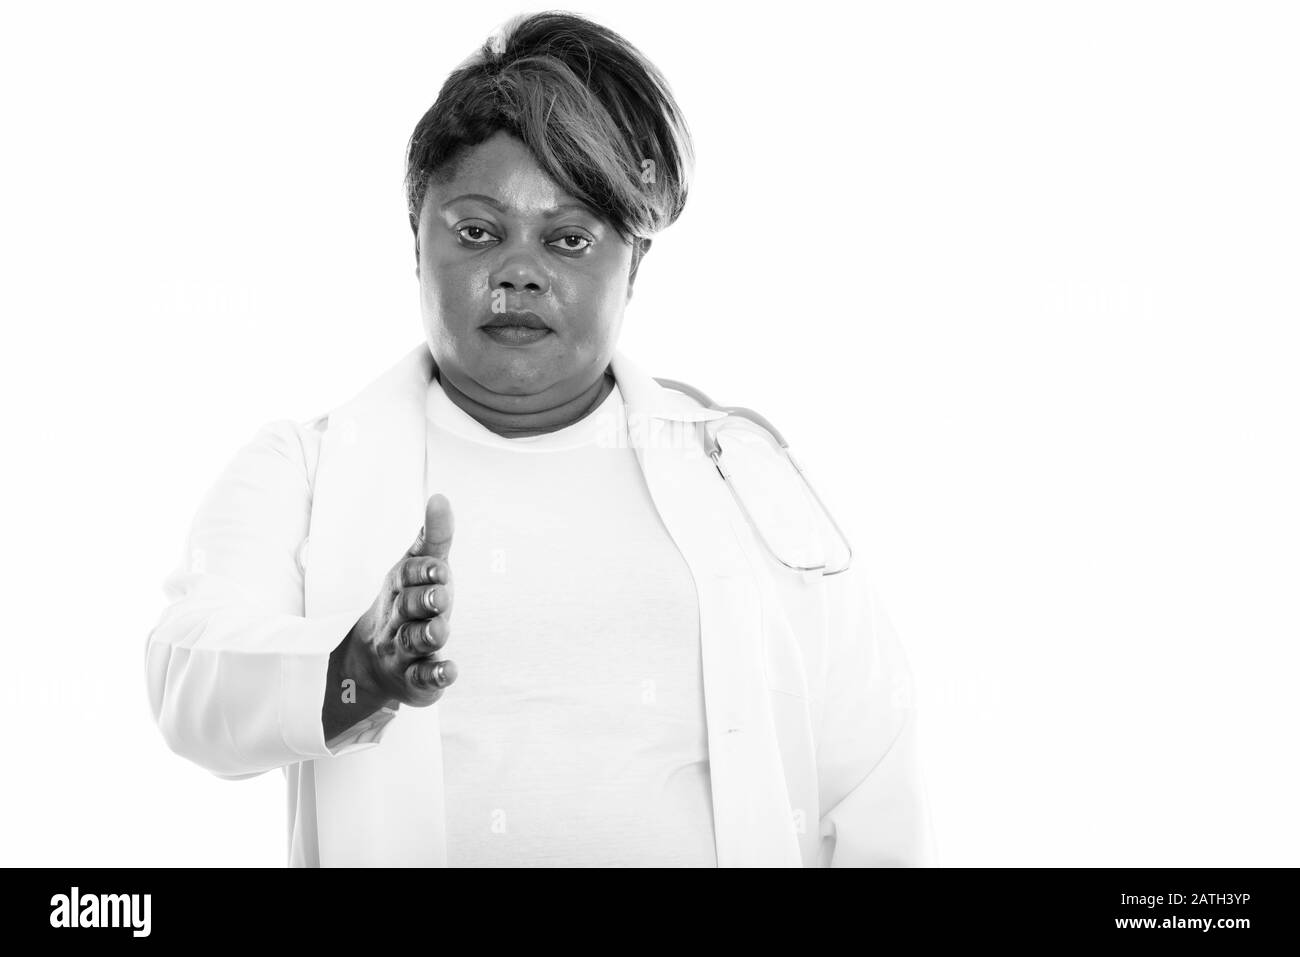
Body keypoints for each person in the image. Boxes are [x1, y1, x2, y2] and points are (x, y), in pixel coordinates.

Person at [145, 10, 937, 867]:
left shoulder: (741, 473)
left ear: (632, 265)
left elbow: (871, 770)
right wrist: (355, 666)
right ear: (416, 243)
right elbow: (188, 676)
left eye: (569, 239)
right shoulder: (303, 469)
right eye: (478, 230)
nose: (519, 270)